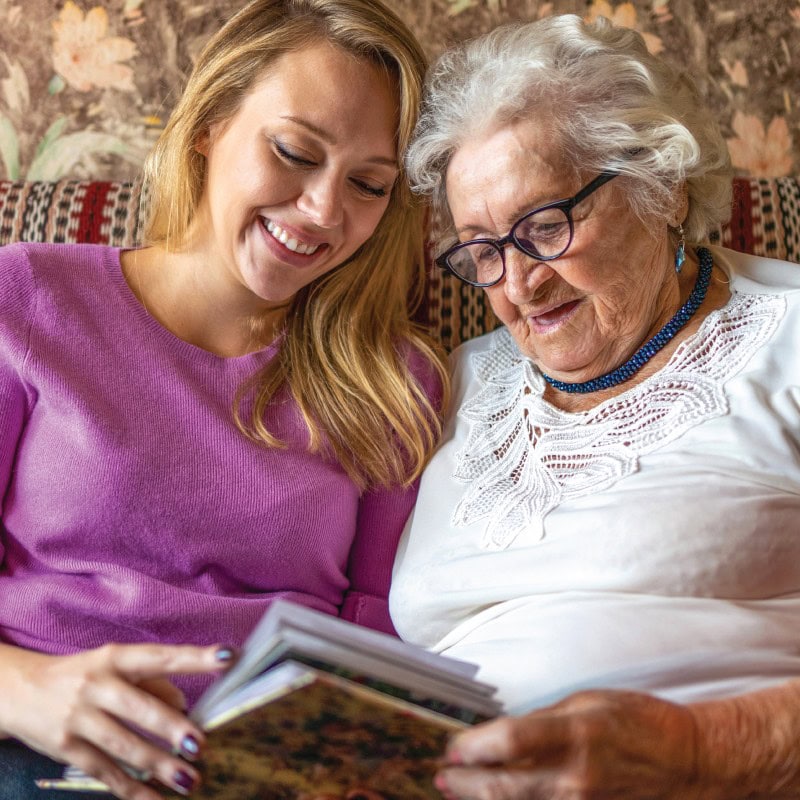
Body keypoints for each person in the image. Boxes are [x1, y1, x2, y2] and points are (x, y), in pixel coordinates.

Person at [0, 1, 447, 798]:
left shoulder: (396, 380)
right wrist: (26, 693)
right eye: (294, 152)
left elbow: (380, 630)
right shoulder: (27, 296)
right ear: (209, 124)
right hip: (36, 748)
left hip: (265, 772)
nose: (323, 212)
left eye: (369, 185)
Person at [391, 13, 800, 799]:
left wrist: (697, 752)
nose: (516, 283)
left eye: (545, 225)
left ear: (663, 188)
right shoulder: (453, 383)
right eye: (482, 249)